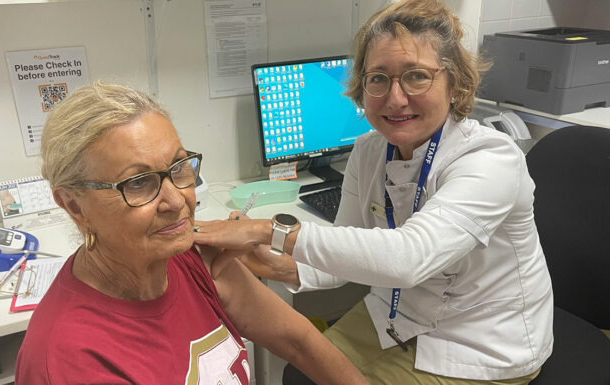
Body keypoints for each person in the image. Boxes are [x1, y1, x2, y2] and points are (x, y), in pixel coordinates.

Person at [193, 0, 554, 384]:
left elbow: (409, 258)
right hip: (396, 314)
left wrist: (268, 231)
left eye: (416, 76)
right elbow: (347, 245)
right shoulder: (369, 151)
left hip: (480, 341)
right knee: (301, 376)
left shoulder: (491, 159)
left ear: (454, 83)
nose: (394, 98)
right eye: (378, 78)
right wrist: (273, 261)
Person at [14, 82, 370, 385]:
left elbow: (299, 342)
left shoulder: (190, 256)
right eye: (138, 183)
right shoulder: (69, 359)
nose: (177, 200)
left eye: (178, 167)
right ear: (74, 206)